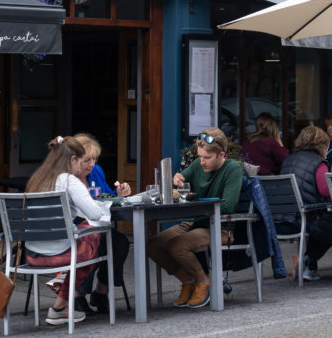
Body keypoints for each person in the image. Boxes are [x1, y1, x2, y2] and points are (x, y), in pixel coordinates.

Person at [146, 128, 243, 309]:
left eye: (207, 157)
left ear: (221, 154)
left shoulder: (232, 169)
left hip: (219, 227)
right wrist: (177, 180)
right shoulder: (199, 164)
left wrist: (196, 206)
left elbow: (228, 206)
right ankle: (188, 280)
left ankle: (203, 281)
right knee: (153, 245)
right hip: (194, 222)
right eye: (200, 156)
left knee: (177, 246)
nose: (202, 161)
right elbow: (180, 183)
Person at [24, 136, 112, 326]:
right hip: (60, 253)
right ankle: (59, 307)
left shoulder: (37, 179)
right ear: (72, 159)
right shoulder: (69, 180)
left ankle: (61, 300)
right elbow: (95, 213)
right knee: (94, 236)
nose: (81, 167)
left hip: (32, 254)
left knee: (83, 237)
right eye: (81, 162)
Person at [72, 133, 132, 314]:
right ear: (74, 160)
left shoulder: (96, 171)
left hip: (98, 227)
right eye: (87, 160)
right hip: (76, 230)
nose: (91, 164)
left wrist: (119, 193)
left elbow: (106, 196)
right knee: (93, 243)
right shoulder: (67, 179)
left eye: (94, 159)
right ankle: (77, 297)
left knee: (119, 242)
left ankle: (101, 292)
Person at [278, 125, 332, 281]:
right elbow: (327, 191)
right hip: (302, 217)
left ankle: (307, 263)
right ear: (322, 145)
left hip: (281, 217)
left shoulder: (288, 160)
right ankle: (308, 261)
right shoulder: (318, 163)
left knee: (322, 219)